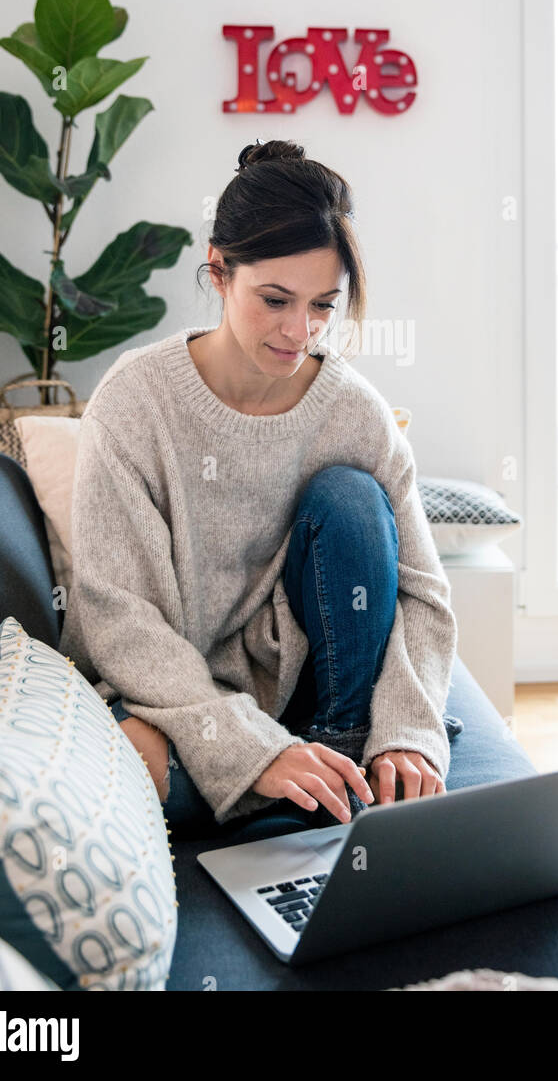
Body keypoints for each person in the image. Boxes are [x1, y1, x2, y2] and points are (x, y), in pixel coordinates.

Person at [60, 139, 462, 845]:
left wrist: (407, 734)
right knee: (132, 768)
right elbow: (118, 617)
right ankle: (314, 784)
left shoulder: (351, 409)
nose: (299, 332)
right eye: (275, 300)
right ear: (219, 270)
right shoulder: (134, 400)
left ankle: (338, 752)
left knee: (348, 498)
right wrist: (251, 749)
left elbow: (423, 592)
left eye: (322, 306)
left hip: (317, 695)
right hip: (175, 701)